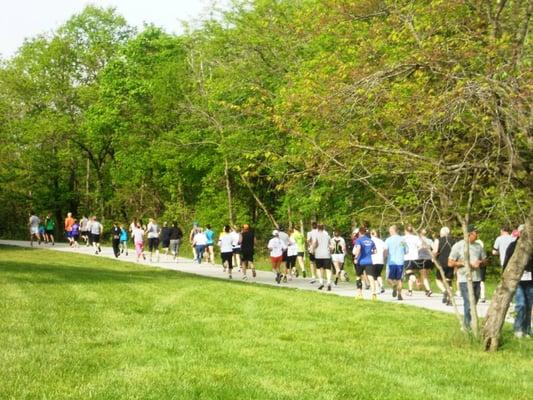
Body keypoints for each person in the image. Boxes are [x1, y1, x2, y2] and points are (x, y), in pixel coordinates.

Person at [448, 224, 488, 330]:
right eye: (476, 233)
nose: (477, 235)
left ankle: (470, 323)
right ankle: (467, 325)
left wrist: (481, 262)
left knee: (474, 301)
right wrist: (466, 263)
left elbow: (485, 260)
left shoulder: (479, 246)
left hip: (477, 278)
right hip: (464, 279)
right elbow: (450, 263)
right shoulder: (458, 245)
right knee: (468, 302)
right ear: (469, 234)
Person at [503, 225, 533, 338]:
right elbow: (506, 263)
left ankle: (527, 330)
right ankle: (518, 329)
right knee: (520, 304)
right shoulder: (512, 246)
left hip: (530, 281)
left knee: (529, 306)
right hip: (517, 281)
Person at [433, 227, 456, 305]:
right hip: (451, 262)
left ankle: (444, 291)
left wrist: (433, 258)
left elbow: (435, 251)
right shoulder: (453, 241)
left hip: (441, 262)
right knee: (448, 280)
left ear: (441, 233)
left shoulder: (438, 240)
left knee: (438, 279)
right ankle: (450, 299)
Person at [353, 226, 376, 299]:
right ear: (365, 232)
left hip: (361, 261)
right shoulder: (370, 241)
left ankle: (359, 294)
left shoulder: (359, 240)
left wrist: (356, 257)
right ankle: (373, 294)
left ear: (359, 232)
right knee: (370, 277)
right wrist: (369, 253)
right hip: (369, 261)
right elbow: (375, 251)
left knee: (358, 276)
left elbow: (358, 248)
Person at [384, 225, 405, 301]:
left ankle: (393, 285)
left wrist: (384, 256)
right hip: (400, 262)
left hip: (391, 262)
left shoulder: (388, 240)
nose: (389, 232)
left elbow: (385, 251)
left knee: (388, 278)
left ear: (392, 231)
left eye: (389, 230)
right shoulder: (402, 240)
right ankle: (399, 295)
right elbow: (406, 250)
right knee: (399, 279)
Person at [403, 224, 422, 296]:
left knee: (409, 274)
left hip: (407, 258)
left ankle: (416, 280)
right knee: (411, 273)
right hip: (416, 258)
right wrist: (416, 250)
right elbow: (421, 246)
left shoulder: (403, 238)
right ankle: (410, 291)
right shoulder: (416, 238)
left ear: (405, 230)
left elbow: (402, 247)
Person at [313, 224, 332, 291]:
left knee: (319, 269)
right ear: (323, 228)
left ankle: (321, 282)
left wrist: (313, 249)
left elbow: (315, 244)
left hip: (318, 255)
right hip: (326, 254)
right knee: (328, 269)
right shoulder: (327, 236)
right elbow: (330, 245)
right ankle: (329, 282)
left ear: (318, 228)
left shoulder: (316, 235)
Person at [418, 228, 434, 297]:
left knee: (424, 276)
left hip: (421, 259)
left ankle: (428, 289)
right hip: (429, 259)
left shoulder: (418, 240)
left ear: (420, 233)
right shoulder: (430, 240)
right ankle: (426, 290)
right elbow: (434, 248)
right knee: (425, 275)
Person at [370, 229, 386, 295]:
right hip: (381, 260)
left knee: (374, 276)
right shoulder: (381, 241)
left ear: (371, 234)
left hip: (373, 260)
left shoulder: (370, 241)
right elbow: (385, 250)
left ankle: (377, 288)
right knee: (378, 274)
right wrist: (384, 257)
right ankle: (381, 285)